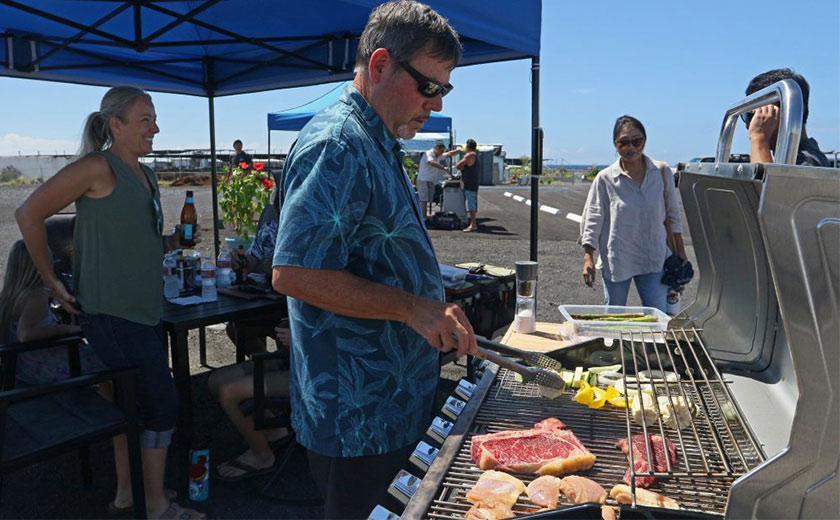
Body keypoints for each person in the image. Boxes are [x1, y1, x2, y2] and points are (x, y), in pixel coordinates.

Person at [271, 2, 477, 518]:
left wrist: (428, 304)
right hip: (357, 415)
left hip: (390, 403)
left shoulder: (377, 139)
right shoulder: (338, 143)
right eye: (428, 86)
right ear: (381, 65)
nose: (435, 103)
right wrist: (414, 308)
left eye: (444, 90)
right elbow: (294, 272)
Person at [15, 86, 204, 519]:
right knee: (160, 404)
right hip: (112, 315)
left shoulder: (146, 175)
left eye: (154, 119)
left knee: (129, 403)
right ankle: (154, 505)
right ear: (115, 125)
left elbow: (138, 239)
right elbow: (28, 214)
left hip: (146, 311)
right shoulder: (97, 167)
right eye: (145, 120)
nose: (155, 128)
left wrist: (172, 242)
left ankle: (127, 493)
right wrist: (50, 279)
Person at [579, 115, 686, 313]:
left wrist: (681, 252)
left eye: (636, 141)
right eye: (623, 142)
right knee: (614, 318)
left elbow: (673, 215)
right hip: (618, 258)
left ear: (644, 141)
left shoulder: (661, 172)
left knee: (657, 317)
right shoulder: (605, 179)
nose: (631, 147)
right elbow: (593, 217)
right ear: (615, 145)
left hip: (653, 257)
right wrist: (588, 257)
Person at [0, 239, 103, 385]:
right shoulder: (36, 296)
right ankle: (119, 398)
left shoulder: (9, 296)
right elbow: (25, 334)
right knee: (109, 359)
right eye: (49, 259)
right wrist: (65, 329)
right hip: (46, 367)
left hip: (22, 367)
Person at [210, 322, 291, 481]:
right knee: (216, 381)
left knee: (229, 392)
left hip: (313, 375)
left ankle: (262, 456)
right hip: (290, 358)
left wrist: (301, 336)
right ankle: (275, 429)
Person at [743, 68, 829, 167]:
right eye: (747, 115)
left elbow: (771, 179)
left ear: (796, 111)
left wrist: (759, 138)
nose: (750, 125)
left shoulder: (808, 163)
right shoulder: (789, 159)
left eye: (760, 114)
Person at [417, 140, 458, 217]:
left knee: (429, 200)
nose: (442, 153)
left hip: (431, 180)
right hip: (423, 180)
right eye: (441, 151)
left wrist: (459, 150)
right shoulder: (428, 153)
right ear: (437, 149)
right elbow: (432, 162)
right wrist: (443, 168)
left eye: (443, 151)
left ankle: (426, 216)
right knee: (424, 200)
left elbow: (449, 154)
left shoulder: (439, 155)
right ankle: (423, 218)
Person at [457, 139, 479, 232]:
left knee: (470, 205)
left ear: (467, 146)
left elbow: (458, 165)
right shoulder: (474, 155)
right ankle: (472, 224)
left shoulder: (470, 155)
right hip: (472, 183)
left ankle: (473, 225)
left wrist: (462, 166)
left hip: (470, 183)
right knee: (471, 204)